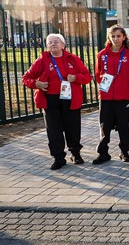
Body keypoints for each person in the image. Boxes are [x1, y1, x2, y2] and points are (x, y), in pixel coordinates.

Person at [22, 33, 92, 170]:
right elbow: (26, 78)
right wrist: (37, 84)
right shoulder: (42, 60)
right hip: (50, 100)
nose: (52, 44)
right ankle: (59, 157)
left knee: (73, 127)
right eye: (50, 42)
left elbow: (87, 76)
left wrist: (76, 78)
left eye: (56, 41)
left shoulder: (73, 59)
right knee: (54, 130)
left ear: (63, 45)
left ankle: (75, 153)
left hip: (69, 99)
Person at [93, 25, 129, 164]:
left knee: (124, 126)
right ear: (109, 37)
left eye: (118, 36)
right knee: (104, 126)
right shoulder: (102, 54)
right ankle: (103, 152)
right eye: (113, 36)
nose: (116, 39)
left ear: (124, 37)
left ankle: (124, 152)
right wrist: (103, 87)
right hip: (106, 97)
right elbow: (98, 74)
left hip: (123, 96)